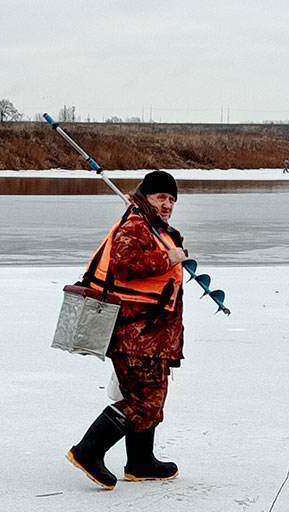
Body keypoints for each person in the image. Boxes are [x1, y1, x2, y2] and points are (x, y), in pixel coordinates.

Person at [66, 171, 187, 489]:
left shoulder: (154, 228)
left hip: (152, 334)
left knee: (152, 397)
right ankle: (88, 452)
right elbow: (124, 262)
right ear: (146, 197)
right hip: (134, 332)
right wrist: (168, 257)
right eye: (161, 197)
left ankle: (140, 462)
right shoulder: (135, 225)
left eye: (171, 200)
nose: (167, 205)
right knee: (143, 401)